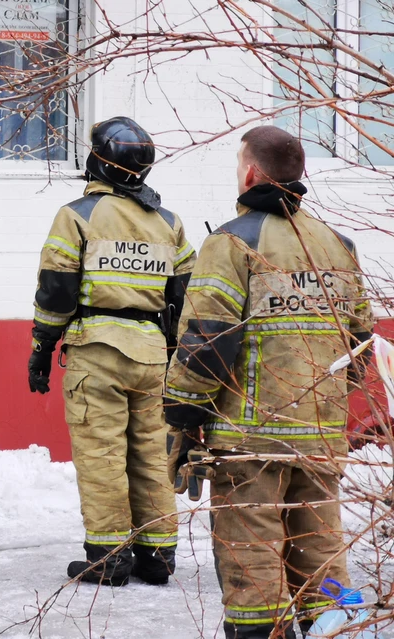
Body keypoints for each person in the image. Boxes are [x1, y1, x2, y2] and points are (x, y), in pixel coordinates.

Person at [165, 126, 374, 639]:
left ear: (251, 173)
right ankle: (336, 630)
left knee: (254, 569)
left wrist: (183, 420)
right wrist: (324, 406)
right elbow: (361, 344)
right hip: (319, 440)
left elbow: (207, 343)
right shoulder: (337, 245)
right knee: (323, 560)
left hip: (250, 446)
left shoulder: (231, 243)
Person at [28, 116, 197, 586]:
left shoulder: (77, 215)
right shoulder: (170, 224)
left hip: (96, 354)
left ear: (98, 160)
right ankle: (158, 556)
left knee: (102, 454)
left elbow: (56, 293)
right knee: (149, 455)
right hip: (152, 358)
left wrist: (41, 350)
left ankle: (109, 557)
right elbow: (186, 297)